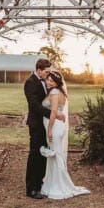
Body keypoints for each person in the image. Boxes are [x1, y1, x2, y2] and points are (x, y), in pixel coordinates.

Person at [40, 70, 90, 200]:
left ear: (57, 83)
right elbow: (56, 111)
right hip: (57, 125)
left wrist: (49, 129)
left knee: (56, 155)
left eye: (52, 80)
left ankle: (60, 185)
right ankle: (52, 183)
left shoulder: (55, 92)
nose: (48, 82)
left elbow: (53, 112)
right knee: (56, 154)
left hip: (55, 127)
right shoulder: (58, 92)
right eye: (48, 79)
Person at [24, 59, 65, 199]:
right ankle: (31, 189)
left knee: (43, 154)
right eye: (46, 72)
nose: (48, 75)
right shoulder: (30, 83)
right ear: (39, 70)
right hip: (36, 124)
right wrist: (54, 115)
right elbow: (34, 106)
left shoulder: (45, 82)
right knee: (35, 154)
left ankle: (40, 183)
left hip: (45, 124)